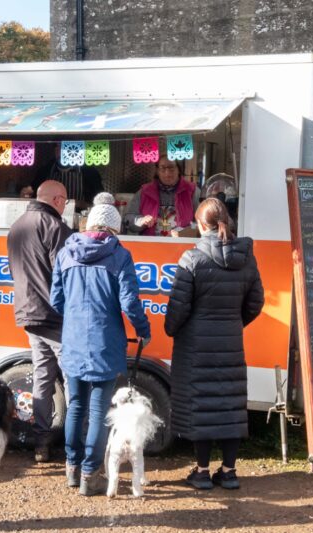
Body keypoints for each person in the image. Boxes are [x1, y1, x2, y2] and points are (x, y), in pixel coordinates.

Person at [51, 192, 151, 496]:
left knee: (75, 406)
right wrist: (143, 329)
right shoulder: (119, 255)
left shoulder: (66, 253)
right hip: (105, 343)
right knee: (97, 412)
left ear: (89, 224)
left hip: (72, 341)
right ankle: (89, 475)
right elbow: (130, 302)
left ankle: (71, 468)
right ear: (114, 228)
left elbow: (56, 301)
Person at [163, 198, 264, 491]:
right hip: (231, 340)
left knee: (201, 405)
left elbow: (177, 309)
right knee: (229, 406)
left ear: (200, 224)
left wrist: (173, 330)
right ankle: (229, 472)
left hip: (196, 345)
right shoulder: (247, 257)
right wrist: (234, 323)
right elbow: (256, 302)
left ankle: (202, 472)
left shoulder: (192, 258)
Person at [7, 180, 74, 462]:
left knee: (43, 377)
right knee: (72, 377)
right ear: (58, 199)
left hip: (28, 313)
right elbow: (66, 273)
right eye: (66, 202)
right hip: (54, 314)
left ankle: (42, 443)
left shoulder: (17, 225)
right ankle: (77, 442)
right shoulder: (54, 227)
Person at [125, 157, 200, 236]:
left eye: (171, 168)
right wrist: (141, 221)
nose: (167, 173)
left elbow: (204, 223)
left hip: (182, 245)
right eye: (162, 168)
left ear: (178, 169)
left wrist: (187, 232)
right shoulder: (144, 192)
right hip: (150, 245)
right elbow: (128, 220)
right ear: (157, 171)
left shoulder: (193, 191)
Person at [33, 145, 104, 210]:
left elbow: (101, 203)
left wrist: (82, 204)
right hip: (50, 217)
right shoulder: (45, 171)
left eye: (65, 147)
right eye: (57, 148)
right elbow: (34, 197)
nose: (60, 151)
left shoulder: (90, 173)